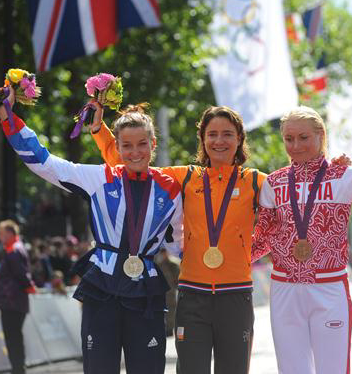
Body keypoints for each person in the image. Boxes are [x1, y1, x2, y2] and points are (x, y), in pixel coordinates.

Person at [0, 89, 183, 374]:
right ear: (116, 148)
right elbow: (45, 163)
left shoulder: (171, 189)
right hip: (102, 288)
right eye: (127, 146)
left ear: (153, 144)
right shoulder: (99, 177)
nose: (135, 152)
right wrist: (7, 117)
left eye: (142, 144)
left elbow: (181, 241)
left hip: (145, 292)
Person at [91, 104, 266, 374]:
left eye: (227, 134)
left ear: (239, 138)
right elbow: (131, 160)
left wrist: (333, 167)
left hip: (236, 295)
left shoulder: (255, 181)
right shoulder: (184, 178)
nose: (219, 141)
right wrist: (98, 130)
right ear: (203, 139)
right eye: (212, 134)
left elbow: (293, 197)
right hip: (192, 294)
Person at [251, 106, 352, 374]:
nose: (295, 145)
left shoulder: (344, 176)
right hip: (284, 290)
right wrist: (225, 260)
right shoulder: (274, 183)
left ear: (321, 135)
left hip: (328, 288)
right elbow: (264, 238)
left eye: (303, 137)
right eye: (289, 139)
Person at [0, 219, 35, 374]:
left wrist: (30, 286)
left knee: (12, 337)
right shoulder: (16, 248)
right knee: (15, 336)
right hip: (16, 301)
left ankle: (17, 369)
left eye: (1, 234)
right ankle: (18, 368)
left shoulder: (14, 251)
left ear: (10, 233)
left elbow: (21, 274)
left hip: (12, 302)